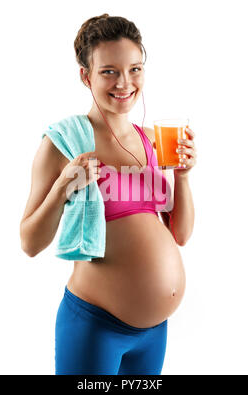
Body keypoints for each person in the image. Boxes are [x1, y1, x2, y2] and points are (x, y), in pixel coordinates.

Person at [20, 13, 196, 375]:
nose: (125, 83)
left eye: (135, 69)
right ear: (86, 75)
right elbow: (29, 242)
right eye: (109, 71)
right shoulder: (63, 143)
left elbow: (180, 235)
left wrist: (183, 177)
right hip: (94, 327)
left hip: (154, 333)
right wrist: (62, 186)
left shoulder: (151, 141)